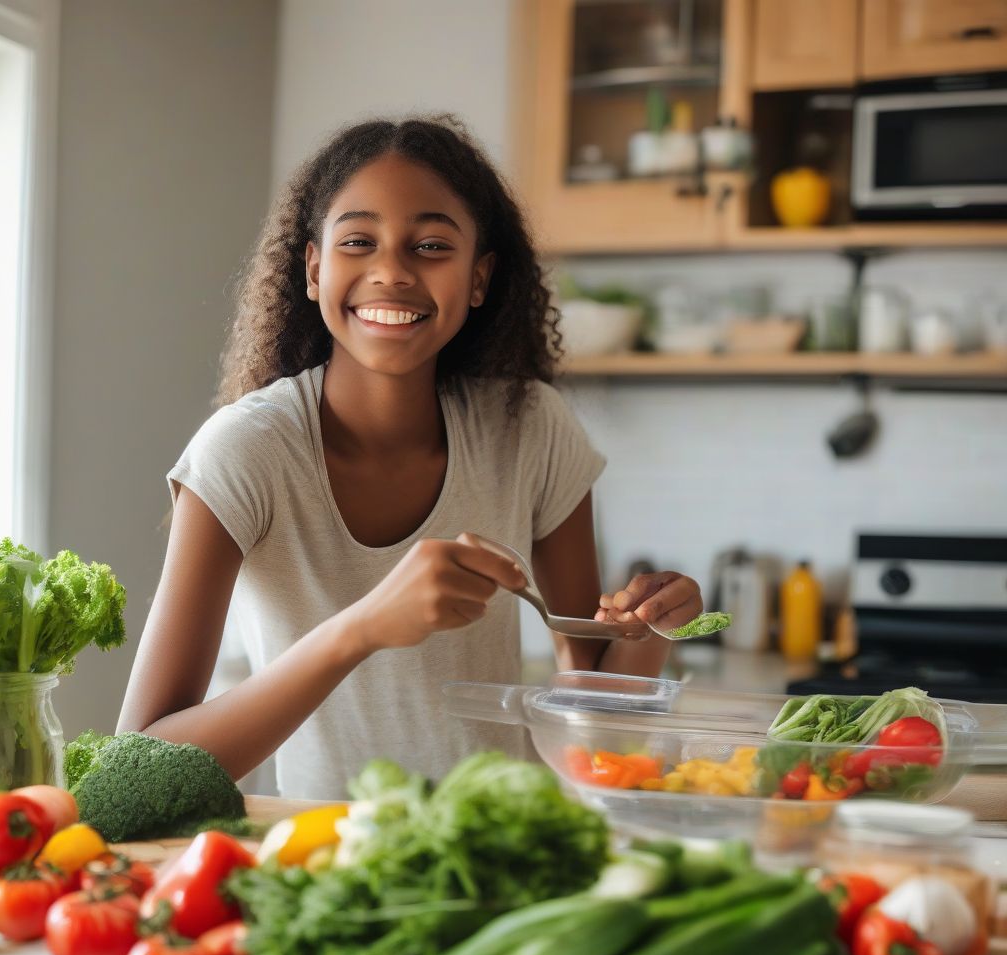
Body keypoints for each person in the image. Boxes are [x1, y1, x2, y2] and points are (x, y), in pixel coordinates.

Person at [117, 115, 702, 799]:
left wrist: (654, 629)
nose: (391, 271)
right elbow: (135, 775)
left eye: (430, 245)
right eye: (359, 241)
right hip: (328, 865)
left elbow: (598, 714)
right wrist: (361, 629)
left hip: (505, 856)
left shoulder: (531, 429)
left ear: (478, 278)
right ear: (314, 269)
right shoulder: (244, 453)